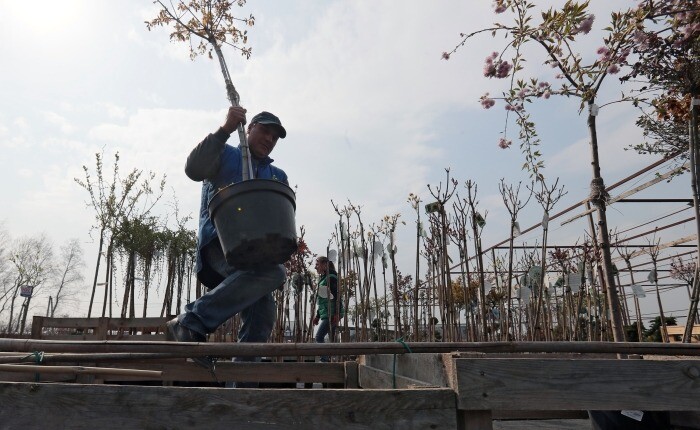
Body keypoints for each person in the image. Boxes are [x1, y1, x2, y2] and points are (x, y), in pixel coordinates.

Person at [166, 106, 288, 373]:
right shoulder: (226, 155)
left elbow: (280, 218)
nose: (269, 139)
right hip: (221, 245)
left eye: (275, 137)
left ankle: (241, 386)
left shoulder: (277, 176)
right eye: (264, 131)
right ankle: (190, 321)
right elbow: (194, 169)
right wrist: (224, 130)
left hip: (258, 255)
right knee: (275, 273)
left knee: (263, 313)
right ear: (249, 128)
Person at [312, 256, 344, 362]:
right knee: (332, 339)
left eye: (317, 264)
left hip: (332, 313)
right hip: (327, 312)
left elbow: (337, 295)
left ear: (324, 265)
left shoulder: (331, 278)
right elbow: (322, 300)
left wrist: (337, 313)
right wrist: (317, 316)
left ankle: (324, 360)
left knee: (319, 337)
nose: (315, 267)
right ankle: (331, 360)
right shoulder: (323, 279)